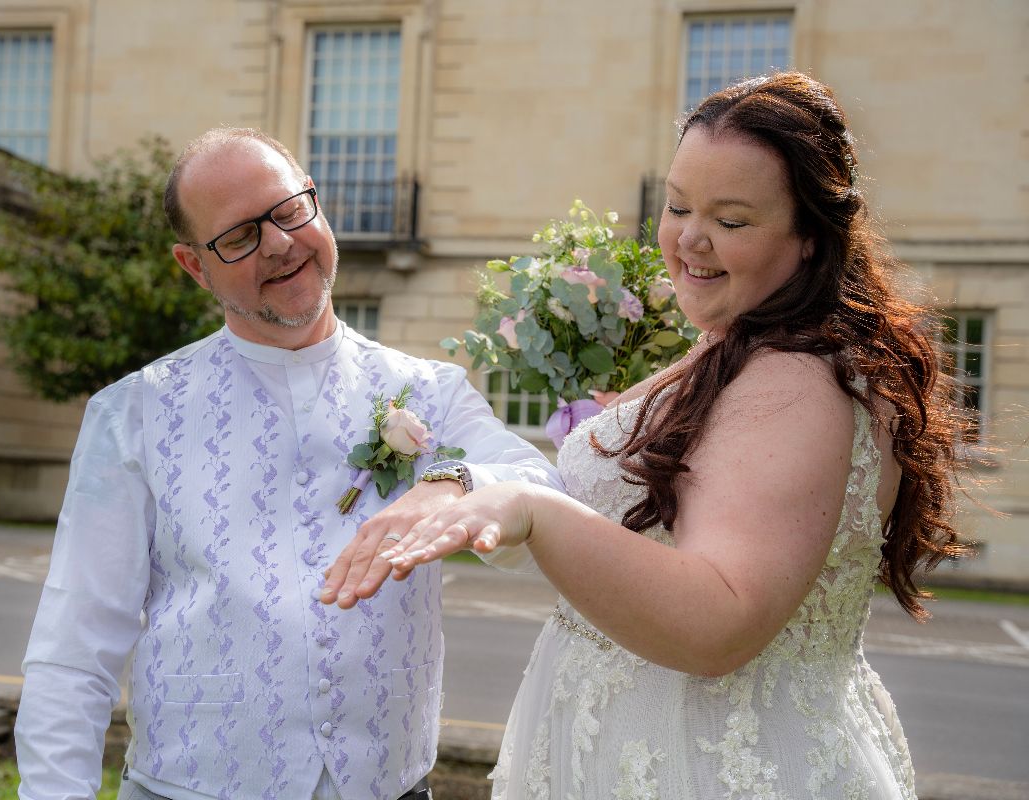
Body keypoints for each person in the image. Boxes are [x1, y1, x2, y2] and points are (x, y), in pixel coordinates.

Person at [321, 72, 968, 798]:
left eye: (732, 221)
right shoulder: (738, 345)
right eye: (678, 205)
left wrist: (535, 511)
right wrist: (479, 482)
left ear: (812, 239)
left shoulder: (795, 379)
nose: (690, 238)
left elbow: (717, 622)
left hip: (704, 764)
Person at [13, 126, 561, 800]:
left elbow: (541, 484)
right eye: (240, 236)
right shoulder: (132, 415)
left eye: (288, 211)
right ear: (194, 266)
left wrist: (452, 486)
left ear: (316, 205)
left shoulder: (431, 393)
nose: (278, 242)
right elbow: (74, 650)